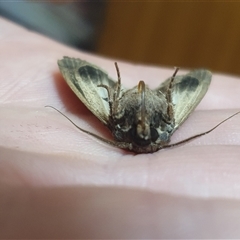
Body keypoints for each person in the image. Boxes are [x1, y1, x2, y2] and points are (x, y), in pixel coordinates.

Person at [1, 16, 240, 238]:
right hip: (159, 111)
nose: (144, 134)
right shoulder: (165, 128)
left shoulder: (121, 128)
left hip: (120, 111)